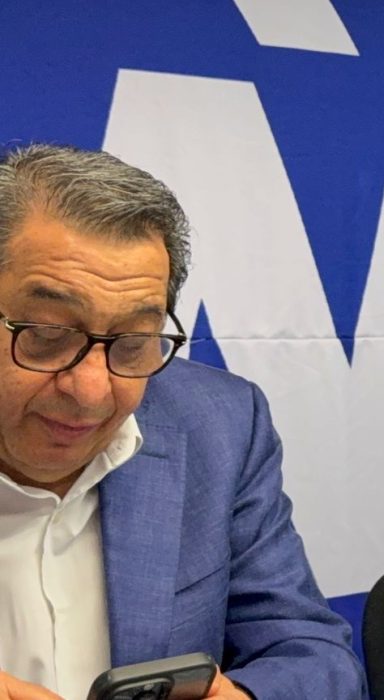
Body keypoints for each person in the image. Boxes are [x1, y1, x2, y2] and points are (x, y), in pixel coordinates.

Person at [0, 145, 364, 700]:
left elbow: (313, 654)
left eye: (133, 343)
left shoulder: (219, 426)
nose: (91, 392)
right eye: (48, 336)